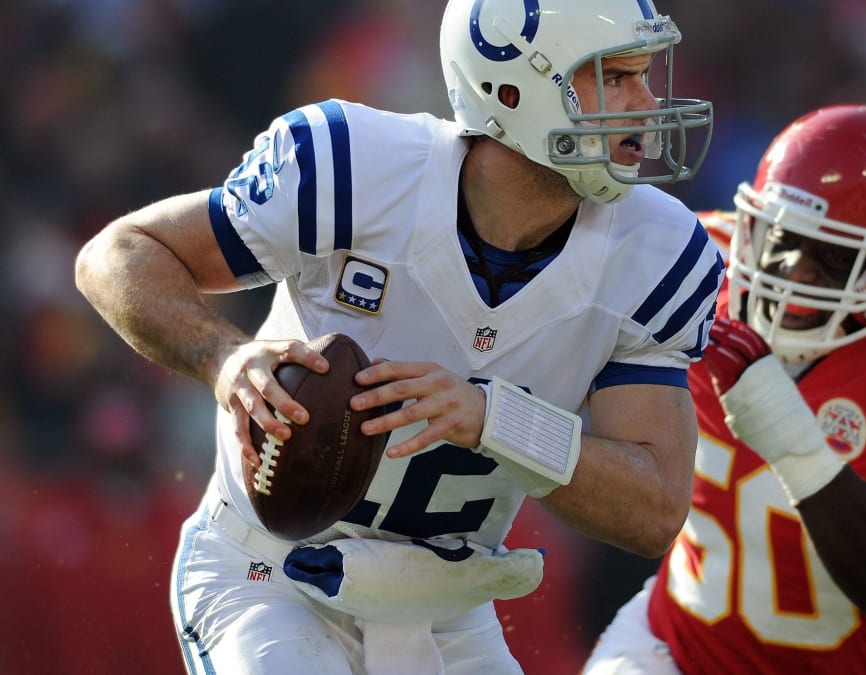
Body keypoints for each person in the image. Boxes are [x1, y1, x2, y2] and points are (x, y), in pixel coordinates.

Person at [73, 0, 721, 672]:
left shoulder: (658, 250)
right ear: (510, 88)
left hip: (448, 611)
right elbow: (117, 253)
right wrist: (224, 356)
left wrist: (495, 421)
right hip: (273, 577)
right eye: (614, 77)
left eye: (644, 73)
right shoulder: (356, 167)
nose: (646, 103)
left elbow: (653, 508)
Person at [584, 104, 866, 674]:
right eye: (779, 238)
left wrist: (791, 441)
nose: (789, 272)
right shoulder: (692, 264)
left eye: (831, 256)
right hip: (672, 648)